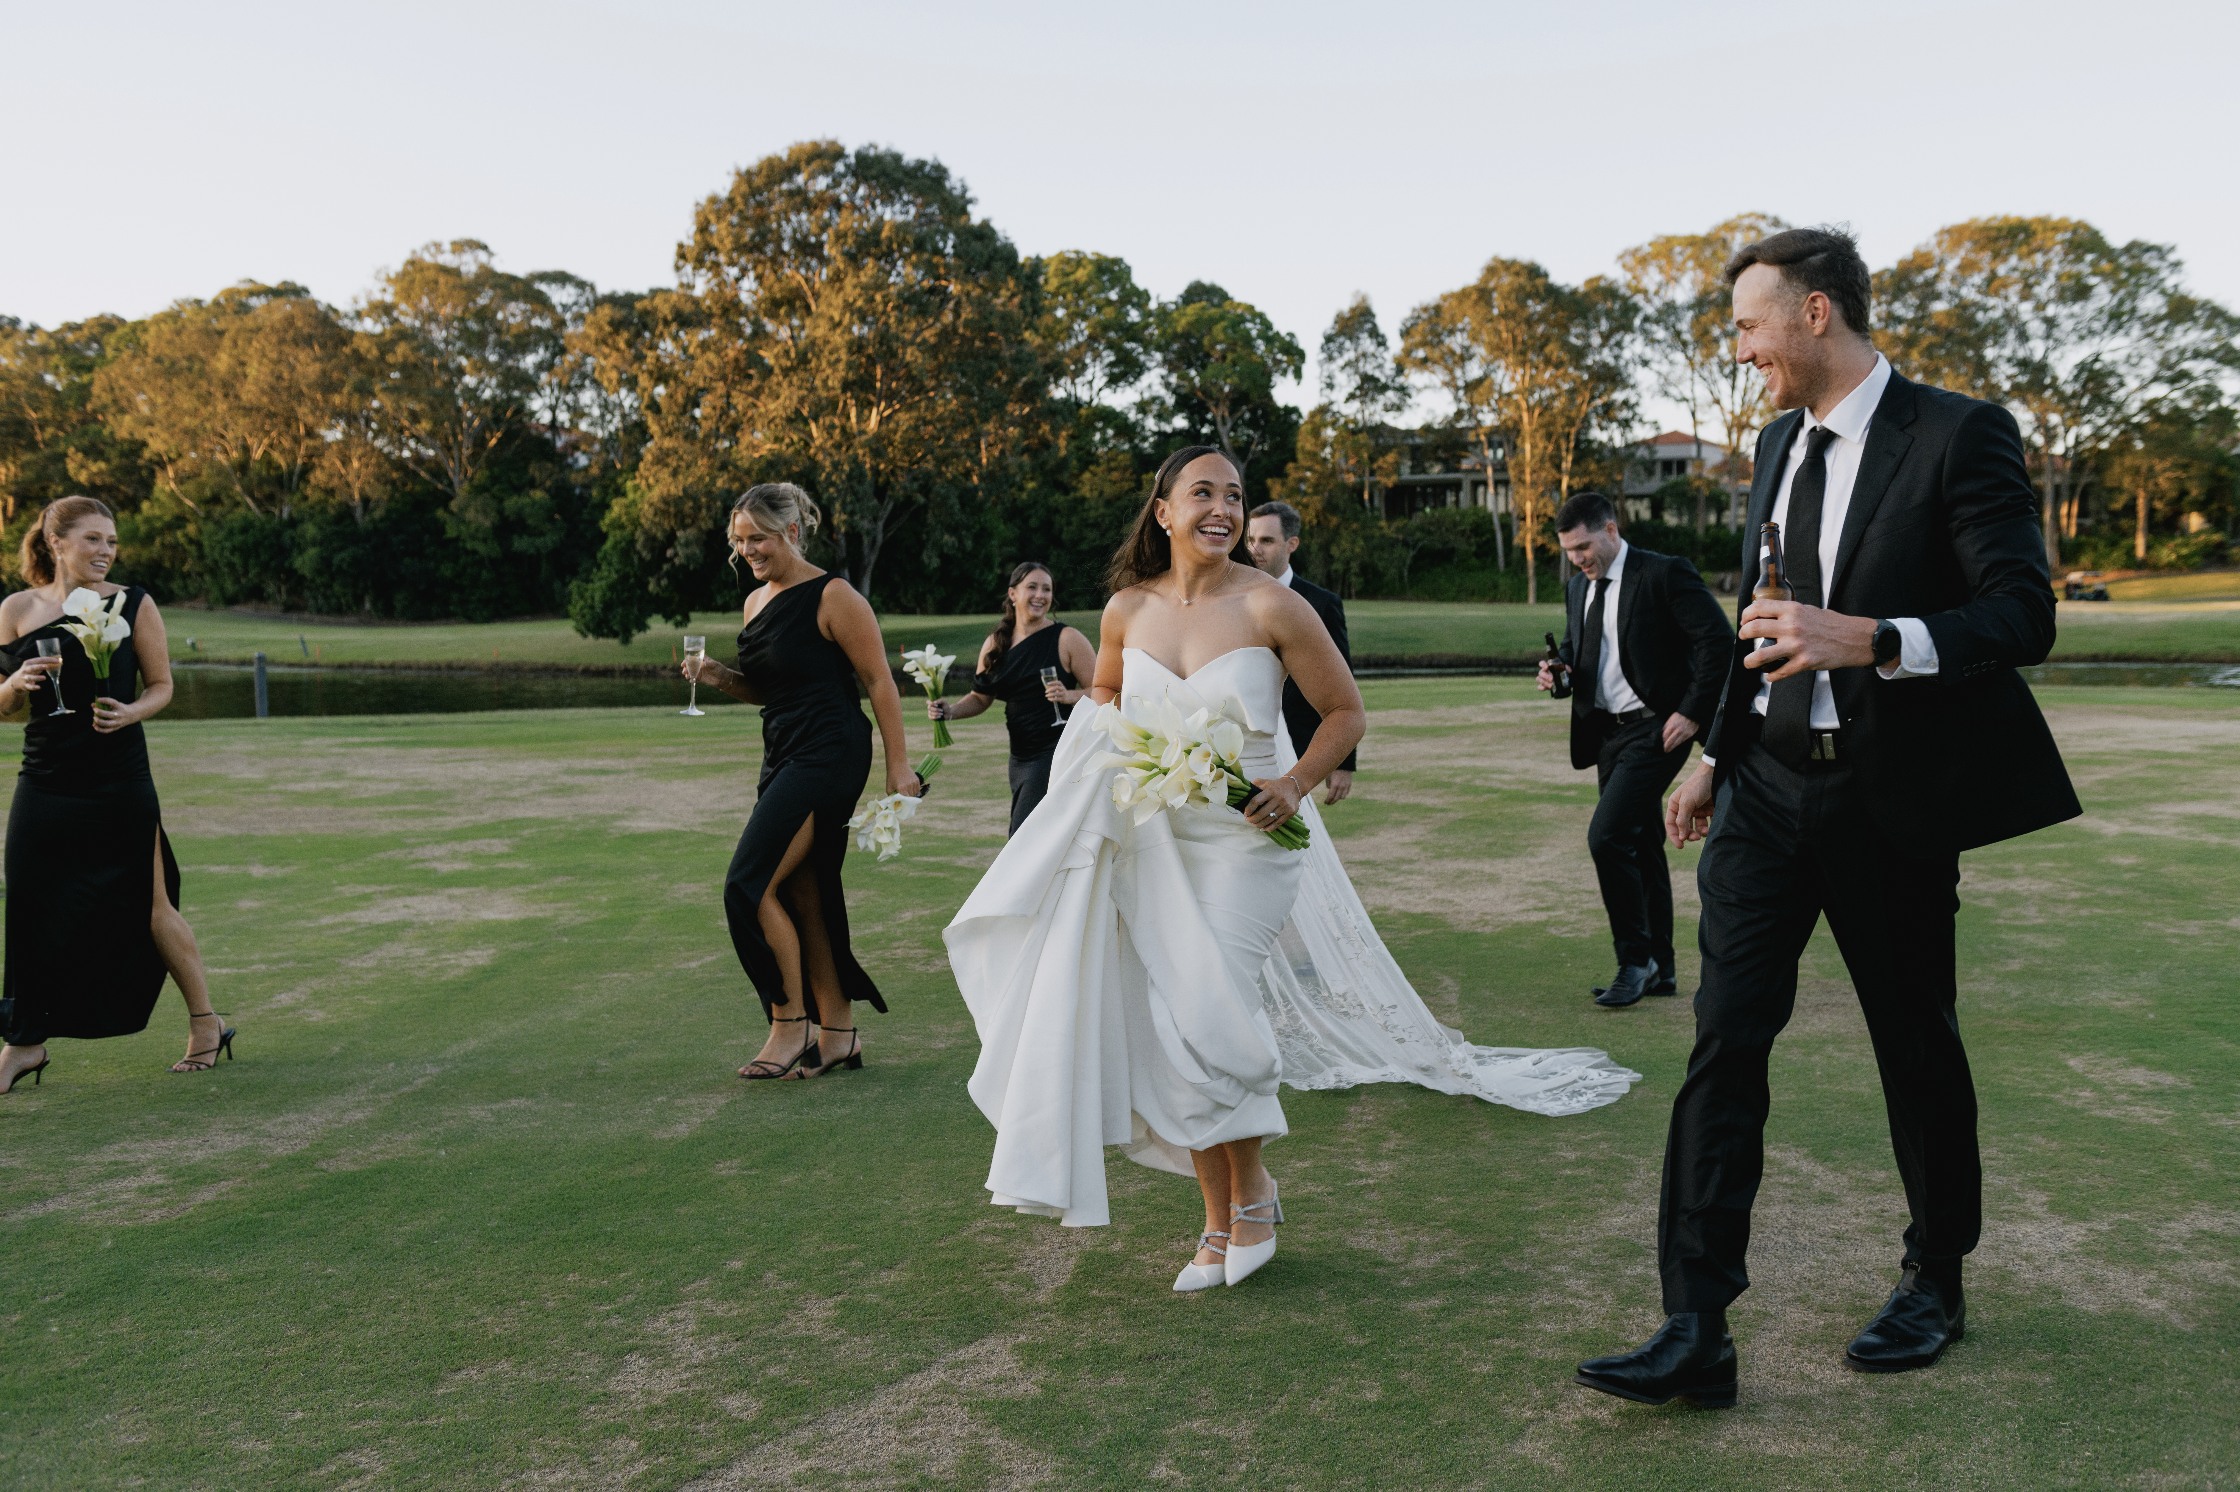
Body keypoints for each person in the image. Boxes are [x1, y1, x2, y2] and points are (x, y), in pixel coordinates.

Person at [1574, 227, 2080, 1408]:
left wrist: (1875, 640)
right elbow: (1772, 610)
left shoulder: (1959, 433)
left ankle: (1933, 1279)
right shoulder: (1770, 442)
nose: (1737, 347)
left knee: (1913, 1043)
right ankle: (1694, 1323)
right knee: (1721, 1039)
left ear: (1812, 315)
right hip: (1764, 795)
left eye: (1749, 324)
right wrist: (1717, 746)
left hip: (1890, 804)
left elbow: (2020, 617)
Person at [945, 447, 1642, 1294]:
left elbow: (1345, 711)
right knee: (1172, 1025)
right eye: (1202, 493)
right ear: (1162, 511)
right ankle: (1232, 1209)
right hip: (1160, 845)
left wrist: (1295, 782)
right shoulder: (1125, 610)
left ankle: (1247, 1203)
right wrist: (1097, 753)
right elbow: (1107, 713)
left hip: (1249, 842)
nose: (1222, 508)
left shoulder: (1273, 603)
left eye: (1233, 496)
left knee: (1206, 1011)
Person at [682, 484, 924, 1081]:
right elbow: (771, 691)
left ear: (790, 531)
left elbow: (879, 682)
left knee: (749, 884)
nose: (747, 551)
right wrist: (717, 676)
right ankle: (838, 1033)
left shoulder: (835, 595)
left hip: (831, 752)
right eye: (739, 542)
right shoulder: (755, 603)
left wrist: (899, 765)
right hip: (783, 751)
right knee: (804, 890)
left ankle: (789, 1024)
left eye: (756, 538)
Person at [0, 496, 233, 1093]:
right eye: (93, 540)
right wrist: (13, 685)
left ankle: (206, 1024)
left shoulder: (134, 602)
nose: (106, 551)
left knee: (151, 905)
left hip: (119, 777)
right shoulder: (15, 609)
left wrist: (130, 712)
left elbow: (161, 687)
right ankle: (24, 1043)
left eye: (112, 542)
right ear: (57, 543)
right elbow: (3, 712)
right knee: (26, 901)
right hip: (45, 777)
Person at [1536, 491, 1730, 1008]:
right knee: (1640, 844)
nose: (1577, 558)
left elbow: (1718, 641)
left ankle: (1634, 962)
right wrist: (1559, 674)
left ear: (1611, 531)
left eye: (1583, 546)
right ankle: (1662, 968)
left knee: (1607, 836)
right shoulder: (1579, 588)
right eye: (1569, 551)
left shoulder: (1664, 573)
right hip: (1607, 735)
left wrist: (1690, 712)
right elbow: (1580, 655)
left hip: (1658, 730)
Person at [926, 561, 1097, 834]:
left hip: (1059, 749)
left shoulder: (1067, 638)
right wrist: (951, 711)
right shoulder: (996, 643)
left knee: (1023, 835)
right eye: (1032, 587)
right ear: (1013, 593)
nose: (1040, 595)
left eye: (1047, 589)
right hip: (1019, 756)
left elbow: (1105, 690)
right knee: (1042, 836)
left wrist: (1070, 695)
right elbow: (980, 697)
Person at [1244, 501, 1356, 803]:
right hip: (1245, 746)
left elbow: (1342, 688)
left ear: (1291, 544)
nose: (1255, 549)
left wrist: (1342, 761)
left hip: (1302, 750)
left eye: (1266, 540)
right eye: (1251, 540)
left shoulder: (1322, 603)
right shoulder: (1232, 600)